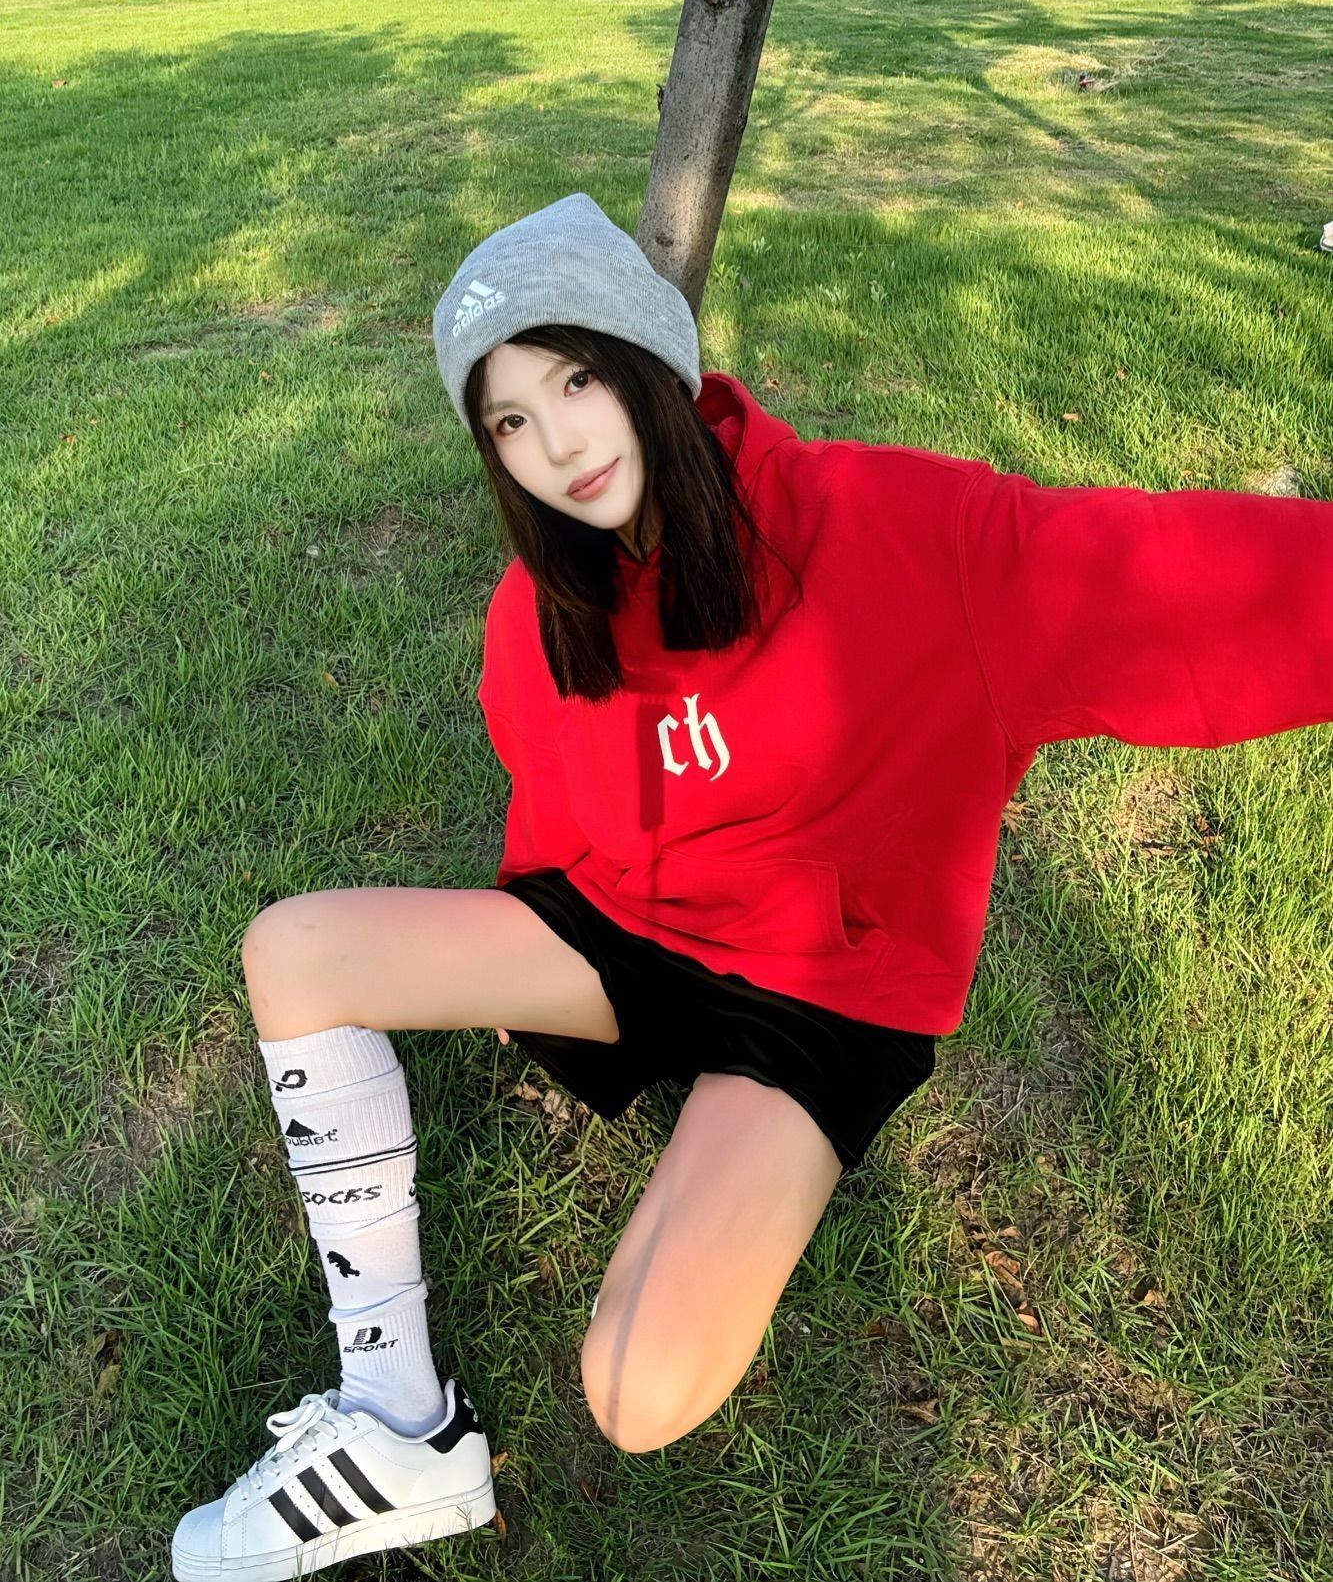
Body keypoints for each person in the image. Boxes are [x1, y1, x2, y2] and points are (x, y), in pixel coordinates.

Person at [172, 192, 1333, 1581]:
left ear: (646, 355)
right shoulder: (539, 608)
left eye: (577, 381)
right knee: (296, 952)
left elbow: (1166, 578)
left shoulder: (900, 528)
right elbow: (552, 797)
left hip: (817, 985)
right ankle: (396, 1421)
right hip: (631, 928)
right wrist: (533, 969)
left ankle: (745, 1135)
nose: (559, 446)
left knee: (638, 1390)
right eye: (511, 420)